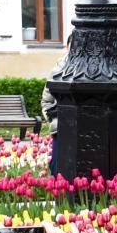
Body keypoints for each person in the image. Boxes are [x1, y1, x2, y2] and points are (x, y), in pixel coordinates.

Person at [41, 33, 72, 176]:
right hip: (61, 126)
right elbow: (46, 101)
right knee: (57, 166)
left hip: (85, 127)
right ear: (67, 47)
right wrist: (52, 118)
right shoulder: (58, 69)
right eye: (72, 46)